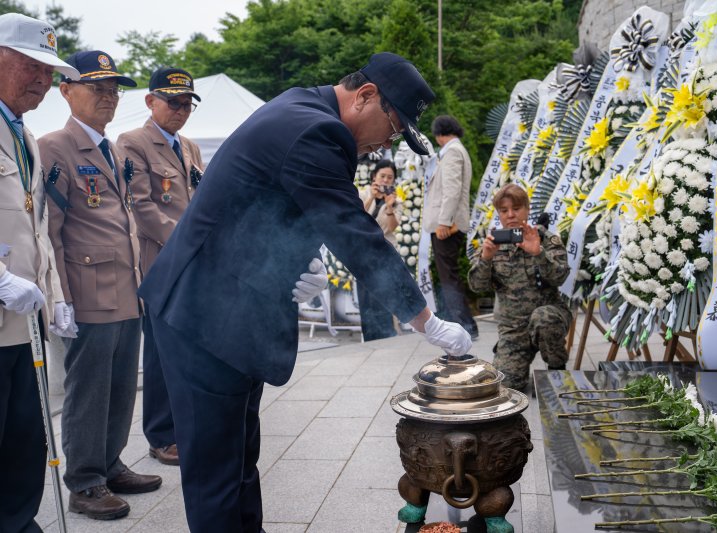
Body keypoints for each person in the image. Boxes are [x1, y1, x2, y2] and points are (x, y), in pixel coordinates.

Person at [137, 52, 472, 532]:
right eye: (392, 126)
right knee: (216, 471)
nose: (386, 143)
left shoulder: (302, 107)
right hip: (204, 315)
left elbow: (273, 208)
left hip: (230, 306)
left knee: (238, 458)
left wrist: (297, 262)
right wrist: (426, 319)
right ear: (365, 96)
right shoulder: (319, 130)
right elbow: (352, 230)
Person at [39, 50, 163, 521]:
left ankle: (110, 463)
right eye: (98, 88)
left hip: (125, 288)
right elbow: (49, 227)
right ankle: (86, 481)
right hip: (87, 292)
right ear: (67, 90)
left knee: (119, 387)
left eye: (114, 89)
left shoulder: (110, 148)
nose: (109, 97)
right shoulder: (55, 146)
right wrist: (60, 297)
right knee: (88, 390)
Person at [0, 13, 80, 532]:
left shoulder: (24, 135)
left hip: (23, 324)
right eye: (31, 65)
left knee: (27, 436)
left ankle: (17, 521)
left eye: (49, 71)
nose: (43, 81)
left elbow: (36, 225)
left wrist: (55, 296)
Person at [117, 67, 205, 467]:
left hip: (193, 264)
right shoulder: (132, 142)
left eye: (187, 103)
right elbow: (142, 208)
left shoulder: (189, 146)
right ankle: (160, 434)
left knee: (189, 349)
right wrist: (189, 242)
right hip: (160, 263)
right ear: (151, 101)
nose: (182, 110)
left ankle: (185, 426)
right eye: (174, 102)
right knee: (160, 352)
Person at [468, 184, 571, 392]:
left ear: (527, 209)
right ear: (498, 214)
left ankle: (557, 369)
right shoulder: (492, 245)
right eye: (504, 211)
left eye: (516, 208)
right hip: (513, 329)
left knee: (544, 318)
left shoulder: (546, 239)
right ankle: (517, 366)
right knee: (505, 387)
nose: (511, 215)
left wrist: (538, 253)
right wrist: (486, 258)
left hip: (548, 316)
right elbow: (477, 287)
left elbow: (560, 277)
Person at [423, 115, 479, 339]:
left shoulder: (453, 152)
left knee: (449, 276)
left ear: (439, 135)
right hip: (448, 223)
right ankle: (459, 321)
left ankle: (465, 324)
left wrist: (444, 221)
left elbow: (452, 190)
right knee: (448, 274)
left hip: (448, 225)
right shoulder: (455, 150)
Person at [357, 159, 401, 340]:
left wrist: (389, 206)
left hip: (385, 253)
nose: (385, 181)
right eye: (382, 176)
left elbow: (392, 227)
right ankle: (369, 336)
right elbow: (356, 218)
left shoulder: (395, 200)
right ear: (374, 176)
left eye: (389, 178)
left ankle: (387, 335)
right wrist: (371, 199)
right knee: (366, 296)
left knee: (383, 294)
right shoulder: (362, 193)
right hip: (363, 253)